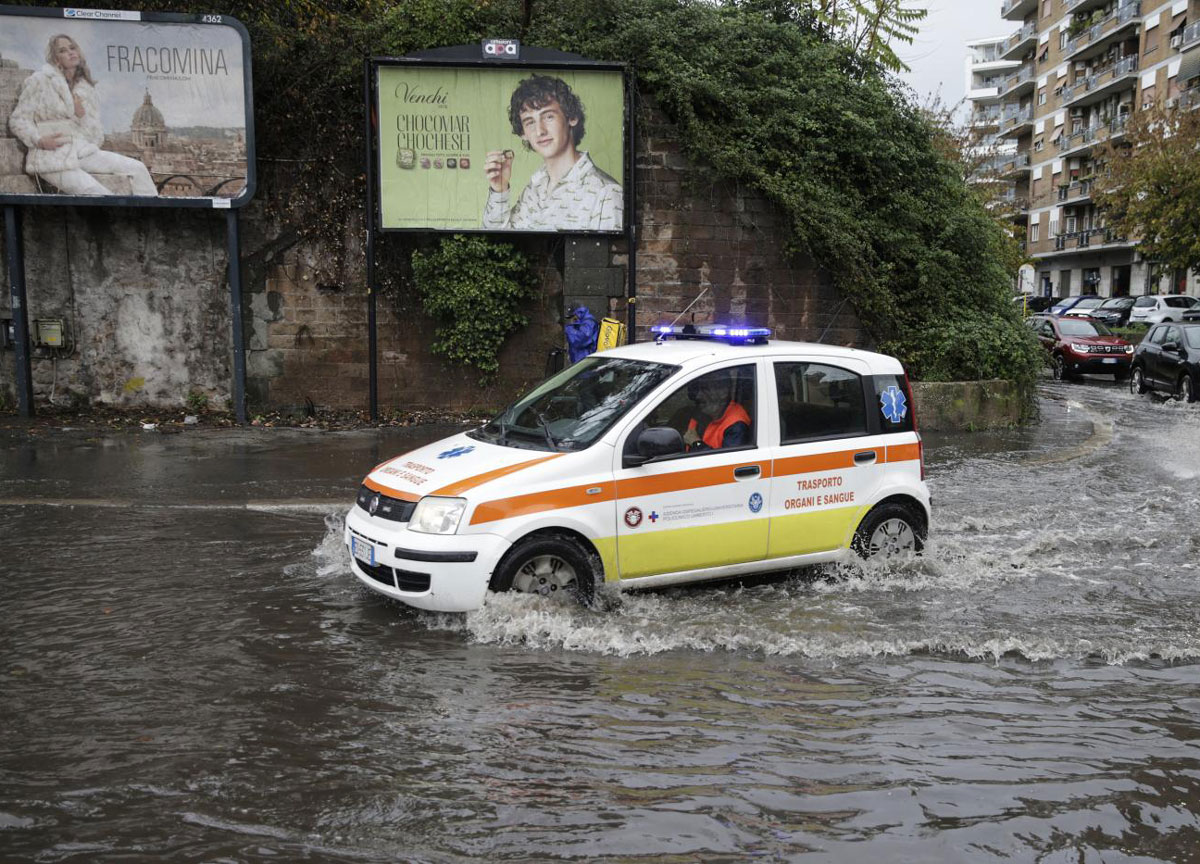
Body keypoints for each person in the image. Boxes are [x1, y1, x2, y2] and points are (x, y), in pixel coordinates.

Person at [9, 34, 158, 197]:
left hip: (81, 151)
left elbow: (95, 134)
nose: (71, 52)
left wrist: (80, 115)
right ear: (56, 59)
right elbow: (18, 120)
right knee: (99, 195)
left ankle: (153, 218)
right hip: (51, 158)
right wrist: (39, 140)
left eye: (72, 48)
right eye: (63, 50)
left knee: (138, 168)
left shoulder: (85, 88)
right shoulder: (39, 81)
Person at [481, 74, 621, 231]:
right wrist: (499, 190)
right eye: (530, 122)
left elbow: (610, 255)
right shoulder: (535, 187)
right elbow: (495, 242)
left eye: (548, 116)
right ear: (523, 133)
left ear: (571, 117)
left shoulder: (606, 192)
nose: (540, 131)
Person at [683, 371, 752, 451]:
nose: (699, 396)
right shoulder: (703, 414)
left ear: (723, 392)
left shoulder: (736, 426)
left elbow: (728, 461)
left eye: (705, 390)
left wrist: (696, 443)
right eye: (699, 390)